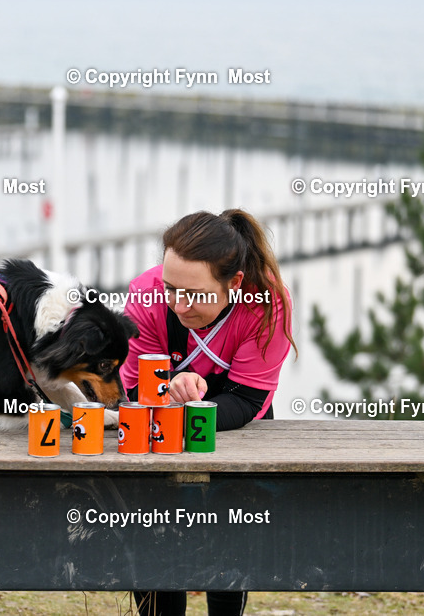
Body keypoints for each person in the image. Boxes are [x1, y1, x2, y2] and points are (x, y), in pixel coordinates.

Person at [120, 208, 296, 616]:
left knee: (231, 533)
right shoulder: (145, 296)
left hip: (240, 419)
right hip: (161, 417)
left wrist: (192, 406)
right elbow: (131, 391)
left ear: (235, 283)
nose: (179, 305)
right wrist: (167, 398)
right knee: (154, 528)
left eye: (194, 295)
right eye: (171, 288)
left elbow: (248, 400)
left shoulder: (267, 304)